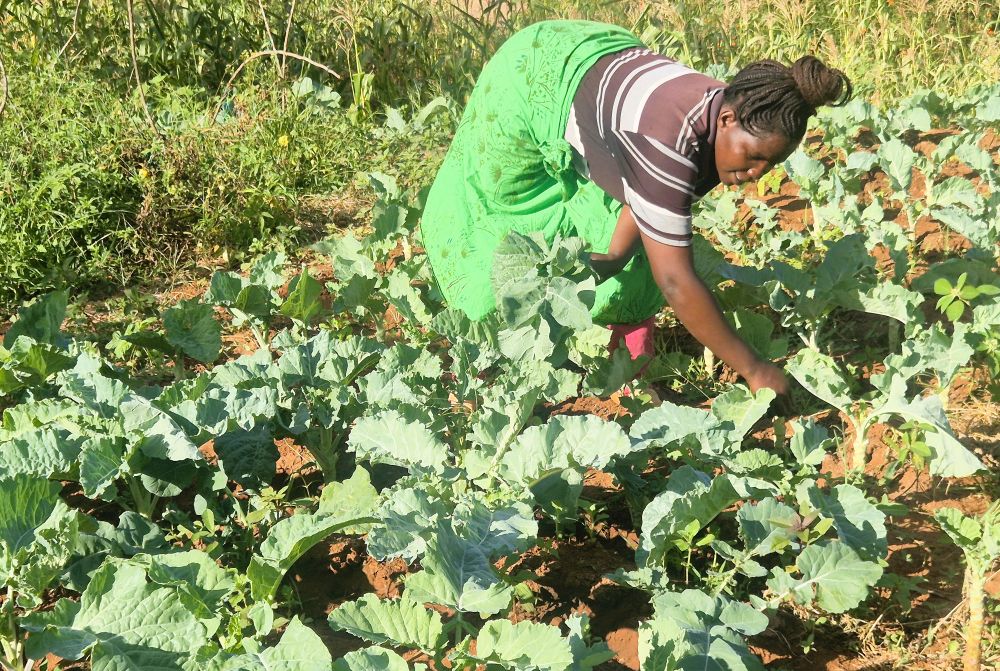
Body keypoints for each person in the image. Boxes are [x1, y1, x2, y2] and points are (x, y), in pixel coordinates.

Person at [420, 20, 851, 395]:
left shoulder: (729, 118)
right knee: (498, 215)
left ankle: (623, 371)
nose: (758, 172)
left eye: (771, 163)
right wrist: (755, 369)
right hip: (535, 71)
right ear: (726, 120)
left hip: (604, 72)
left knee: (640, 249)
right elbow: (676, 282)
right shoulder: (670, 140)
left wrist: (614, 255)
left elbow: (648, 198)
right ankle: (485, 366)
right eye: (754, 157)